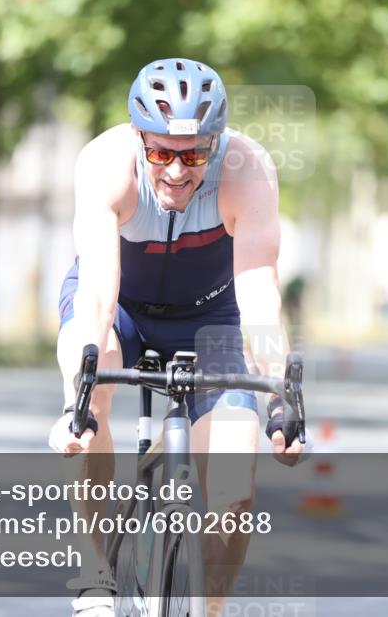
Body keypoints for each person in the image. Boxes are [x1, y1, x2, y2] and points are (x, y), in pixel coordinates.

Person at [48, 58, 305, 617]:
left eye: (193, 155)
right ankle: (95, 577)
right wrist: (82, 394)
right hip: (122, 308)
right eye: (161, 153)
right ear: (139, 138)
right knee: (89, 387)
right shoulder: (105, 162)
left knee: (235, 482)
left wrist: (282, 400)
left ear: (216, 144)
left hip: (213, 317)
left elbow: (259, 293)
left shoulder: (248, 168)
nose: (176, 171)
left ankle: (209, 609)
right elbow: (97, 290)